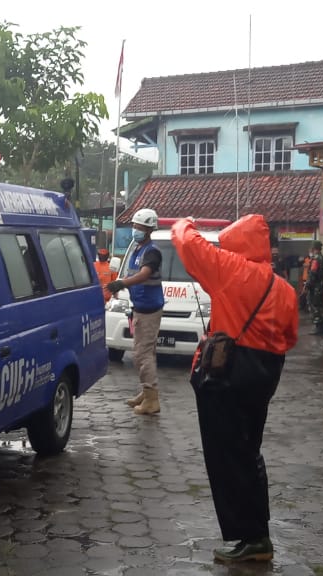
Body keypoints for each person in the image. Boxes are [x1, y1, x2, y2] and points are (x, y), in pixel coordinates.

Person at [170, 214, 298, 564]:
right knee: (249, 451)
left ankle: (251, 538)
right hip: (266, 373)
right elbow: (290, 337)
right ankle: (259, 533)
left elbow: (186, 242)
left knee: (226, 457)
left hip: (229, 374)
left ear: (238, 244)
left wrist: (185, 221)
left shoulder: (230, 268)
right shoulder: (283, 287)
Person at [105, 208, 165, 415]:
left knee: (142, 354)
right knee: (146, 352)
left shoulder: (151, 252)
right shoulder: (138, 249)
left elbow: (144, 274)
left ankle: (151, 398)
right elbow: (134, 275)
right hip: (140, 306)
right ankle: (146, 391)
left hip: (149, 308)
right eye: (134, 226)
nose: (135, 230)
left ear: (148, 229)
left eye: (138, 227)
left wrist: (121, 283)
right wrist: (122, 289)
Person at [301, 241, 323, 335]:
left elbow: (312, 274)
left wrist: (307, 286)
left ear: (314, 248)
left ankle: (319, 329)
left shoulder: (316, 259)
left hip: (315, 287)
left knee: (315, 307)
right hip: (321, 286)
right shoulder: (322, 258)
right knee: (320, 306)